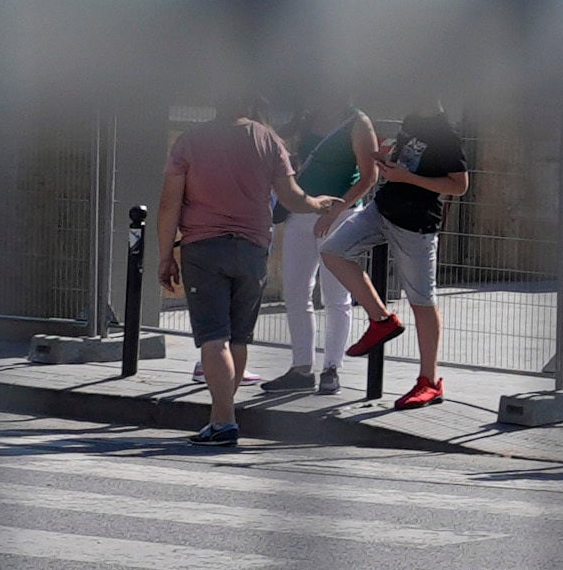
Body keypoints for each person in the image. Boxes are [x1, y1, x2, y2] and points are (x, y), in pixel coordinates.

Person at [156, 99, 295, 447]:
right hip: (252, 250)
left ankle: (223, 421)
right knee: (238, 339)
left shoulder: (190, 140)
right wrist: (319, 203)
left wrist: (164, 256)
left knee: (214, 338)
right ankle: (222, 416)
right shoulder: (268, 139)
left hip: (204, 248)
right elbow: (290, 194)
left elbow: (169, 202)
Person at [273, 105, 386, 399]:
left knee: (335, 295)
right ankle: (301, 367)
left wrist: (335, 211)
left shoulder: (359, 123)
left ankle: (332, 367)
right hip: (302, 211)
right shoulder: (306, 115)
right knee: (296, 290)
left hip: (340, 215)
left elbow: (368, 177)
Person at [366, 110, 474, 411]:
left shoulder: (445, 136)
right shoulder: (410, 122)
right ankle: (381, 320)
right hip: (386, 209)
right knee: (334, 250)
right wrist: (388, 163)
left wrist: (407, 177)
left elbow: (459, 186)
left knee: (422, 301)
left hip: (419, 224)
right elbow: (405, 165)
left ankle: (429, 381)